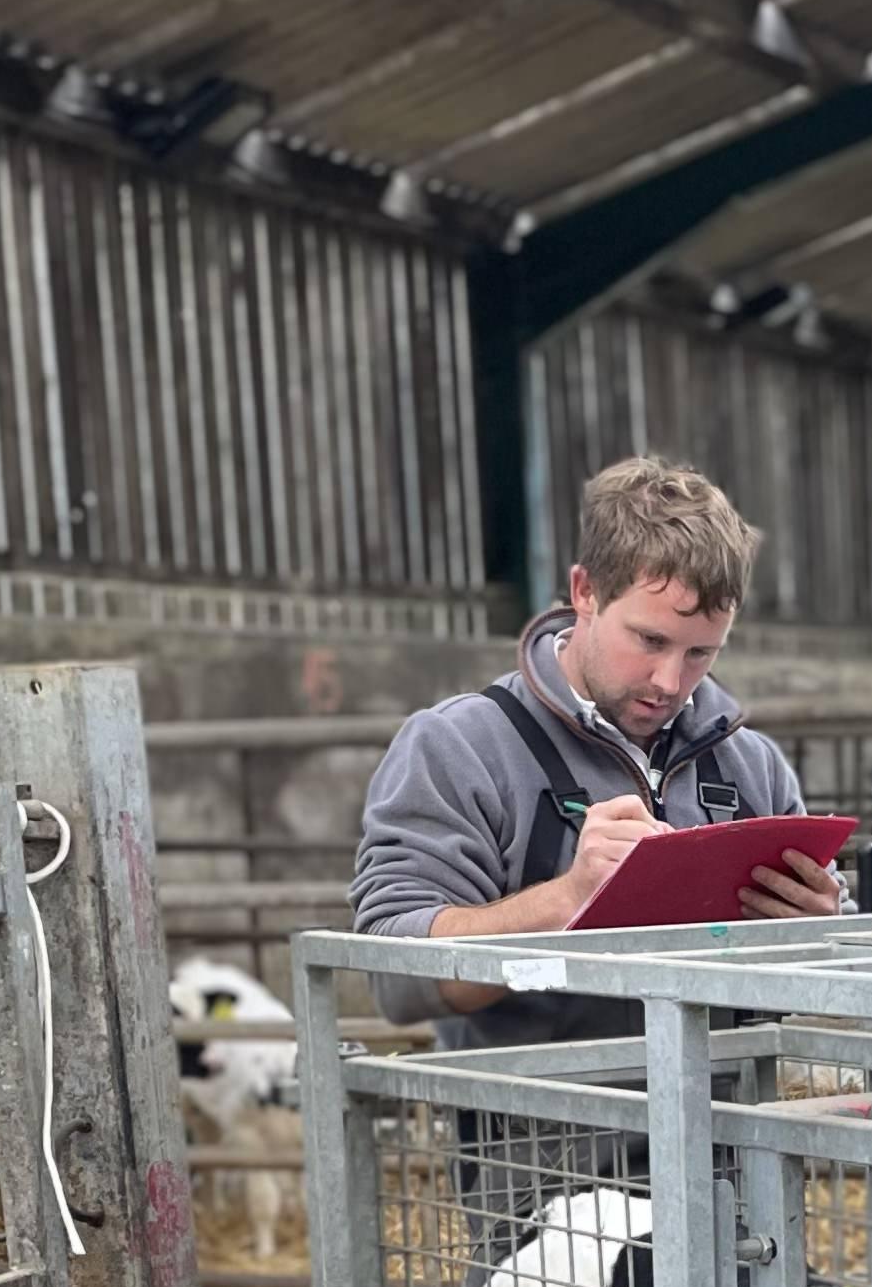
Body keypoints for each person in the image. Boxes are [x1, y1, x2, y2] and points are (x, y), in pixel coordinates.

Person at [352, 450, 843, 1053]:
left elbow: (818, 962)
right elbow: (396, 978)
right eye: (649, 640)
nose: (668, 681)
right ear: (584, 591)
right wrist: (571, 898)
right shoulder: (460, 746)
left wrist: (821, 932)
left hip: (727, 1134)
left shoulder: (751, 764)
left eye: (701, 653)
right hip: (542, 1137)